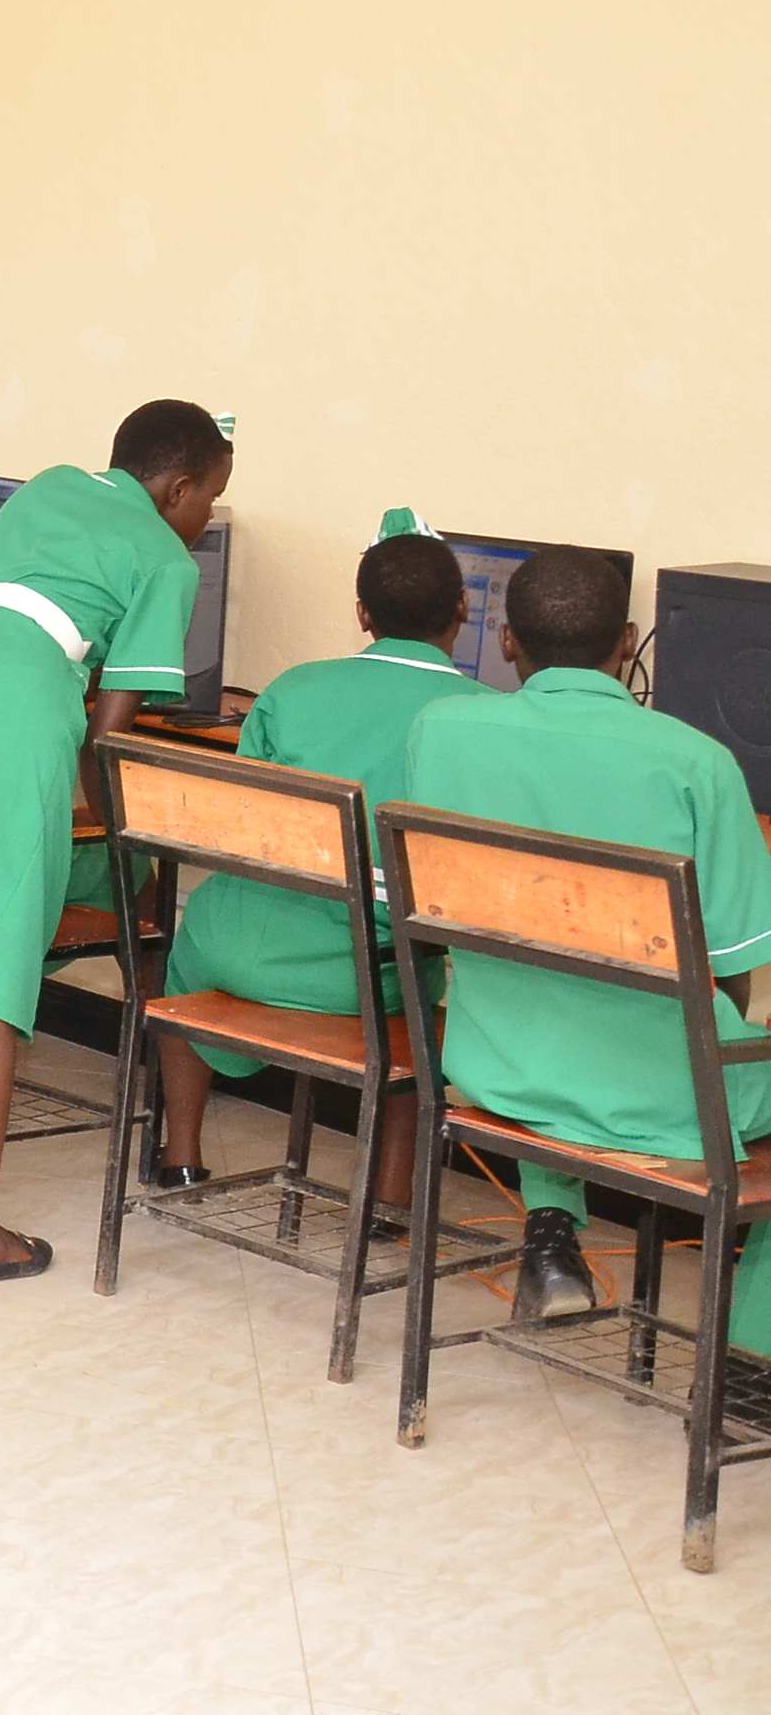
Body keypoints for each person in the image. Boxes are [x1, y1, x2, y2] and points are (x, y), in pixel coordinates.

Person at [0, 399, 227, 1286]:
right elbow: (107, 724)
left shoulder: (48, 488)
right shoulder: (165, 559)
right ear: (176, 488)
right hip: (11, 723)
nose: (204, 520)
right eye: (206, 502)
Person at [402, 549, 771, 1344]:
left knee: (554, 998)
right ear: (630, 639)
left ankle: (552, 1235)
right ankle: (748, 1362)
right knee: (662, 1029)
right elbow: (737, 974)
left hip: (494, 1064)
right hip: (662, 1092)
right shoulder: (697, 762)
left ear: (506, 639)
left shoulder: (439, 729)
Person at [150, 510, 486, 1207]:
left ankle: (180, 1156)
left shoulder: (293, 689)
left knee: (191, 939)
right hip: (364, 978)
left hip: (232, 950)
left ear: (362, 614)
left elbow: (246, 822)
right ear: (462, 609)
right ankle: (389, 1200)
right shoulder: (482, 717)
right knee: (416, 1000)